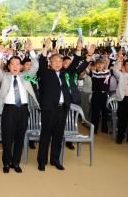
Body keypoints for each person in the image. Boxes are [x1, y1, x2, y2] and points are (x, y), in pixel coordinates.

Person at [37, 38, 92, 171]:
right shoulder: (45, 73)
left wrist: (79, 49)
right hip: (49, 110)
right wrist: (46, 48)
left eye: (60, 61)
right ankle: (41, 161)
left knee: (58, 136)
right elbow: (42, 62)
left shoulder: (65, 73)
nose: (57, 63)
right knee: (45, 136)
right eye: (54, 61)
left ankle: (55, 160)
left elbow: (75, 64)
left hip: (62, 109)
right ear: (50, 63)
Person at [0, 39, 39, 173]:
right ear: (8, 66)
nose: (15, 66)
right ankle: (6, 163)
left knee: (20, 138)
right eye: (12, 64)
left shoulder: (26, 76)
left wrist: (31, 50)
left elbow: (35, 67)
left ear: (22, 67)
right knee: (7, 138)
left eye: (18, 64)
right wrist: (0, 54)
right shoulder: (5, 77)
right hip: (9, 110)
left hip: (23, 110)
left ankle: (16, 163)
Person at [89, 58, 111, 134]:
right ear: (95, 65)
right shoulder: (93, 73)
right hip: (96, 95)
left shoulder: (108, 72)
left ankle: (104, 128)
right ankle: (94, 129)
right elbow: (87, 68)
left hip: (105, 95)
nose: (99, 65)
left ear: (104, 64)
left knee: (105, 112)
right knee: (95, 113)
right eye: (98, 63)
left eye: (101, 63)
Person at [113, 54, 128, 144]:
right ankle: (120, 137)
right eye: (127, 64)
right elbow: (115, 70)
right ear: (124, 66)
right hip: (124, 100)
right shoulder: (121, 75)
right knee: (122, 120)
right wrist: (119, 60)